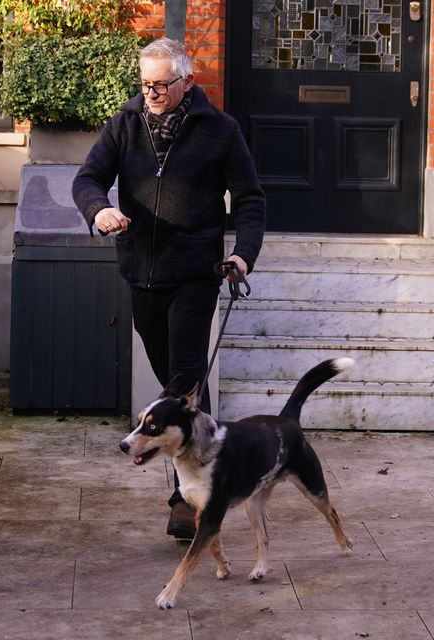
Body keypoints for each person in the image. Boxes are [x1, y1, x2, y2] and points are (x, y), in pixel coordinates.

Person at [72, 37, 266, 539]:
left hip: (196, 273)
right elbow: (87, 178)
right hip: (140, 271)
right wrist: (100, 210)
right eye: (145, 84)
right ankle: (214, 457)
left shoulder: (220, 131)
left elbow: (249, 199)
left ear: (187, 81)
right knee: (181, 394)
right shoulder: (126, 122)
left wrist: (243, 254)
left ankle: (184, 499)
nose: (152, 93)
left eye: (161, 84)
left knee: (183, 377)